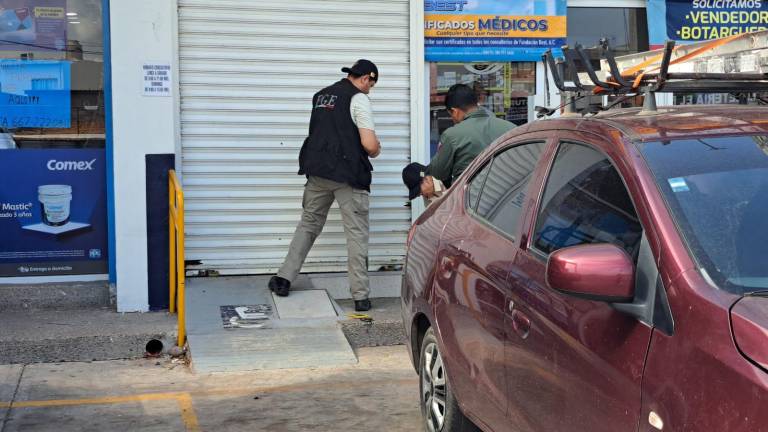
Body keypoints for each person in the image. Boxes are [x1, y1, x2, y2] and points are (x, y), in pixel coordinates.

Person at [268, 59, 381, 312]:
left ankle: (283, 278)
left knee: (308, 223)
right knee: (356, 233)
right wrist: (377, 148)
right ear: (366, 78)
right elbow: (370, 145)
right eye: (371, 84)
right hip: (348, 175)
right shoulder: (358, 99)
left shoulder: (320, 96)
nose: (370, 89)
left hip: (318, 172)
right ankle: (360, 296)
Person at [417, 83, 516, 200]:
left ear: (455, 111)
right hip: (507, 200)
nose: (453, 119)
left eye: (451, 115)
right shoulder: (511, 128)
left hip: (469, 202)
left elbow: (438, 173)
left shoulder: (452, 135)